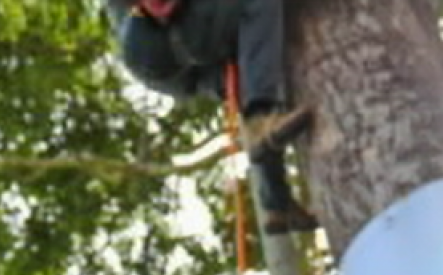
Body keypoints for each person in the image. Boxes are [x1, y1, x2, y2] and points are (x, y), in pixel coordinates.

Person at [103, 0, 321, 234]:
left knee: (248, 68)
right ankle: (260, 117)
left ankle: (276, 202)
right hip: (162, 41)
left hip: (165, 64)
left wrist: (215, 83)